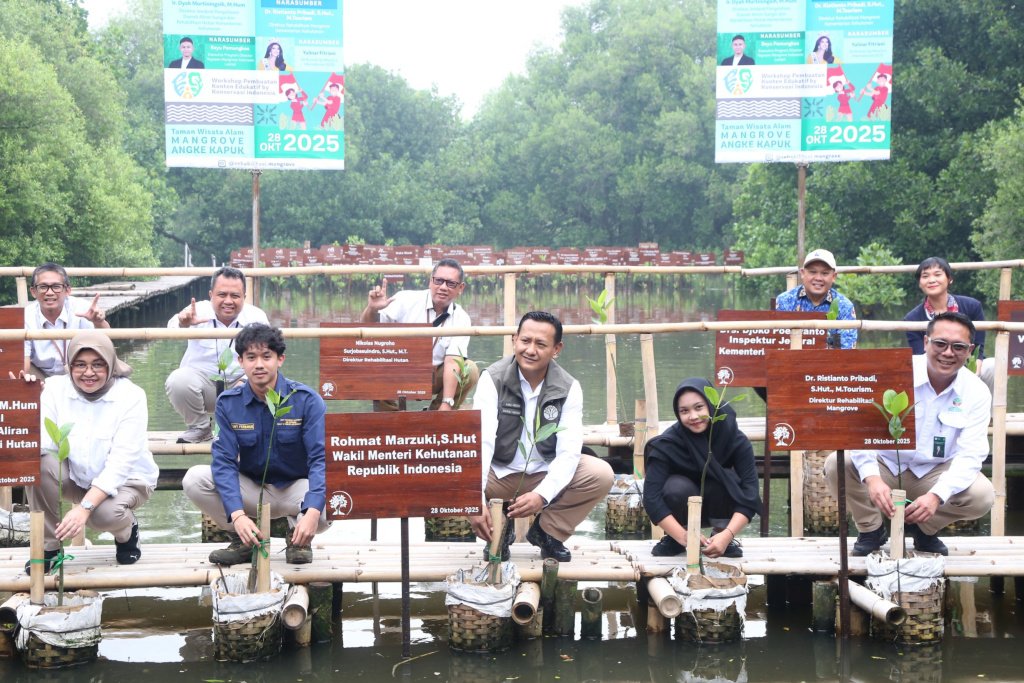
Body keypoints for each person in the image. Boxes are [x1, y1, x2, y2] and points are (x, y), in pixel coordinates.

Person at [824, 312, 995, 556]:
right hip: (887, 463)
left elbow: (972, 454)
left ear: (970, 351)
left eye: (958, 347)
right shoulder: (892, 371)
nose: (948, 353)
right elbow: (859, 433)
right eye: (940, 344)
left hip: (936, 470)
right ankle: (871, 530)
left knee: (982, 495)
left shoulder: (976, 391)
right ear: (926, 343)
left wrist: (936, 496)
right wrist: (872, 479)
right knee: (836, 465)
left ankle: (924, 530)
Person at [468, 312, 615, 562]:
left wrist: (543, 495)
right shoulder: (491, 380)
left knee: (601, 475)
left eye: (541, 344)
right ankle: (499, 528)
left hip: (542, 472)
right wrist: (471, 502)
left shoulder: (569, 387)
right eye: (525, 341)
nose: (530, 350)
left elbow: (569, 451)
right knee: (458, 476)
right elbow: (481, 443)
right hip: (498, 474)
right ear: (515, 340)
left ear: (556, 349)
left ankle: (547, 531)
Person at [183, 324, 330, 565]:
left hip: (296, 489)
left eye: (266, 356)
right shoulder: (228, 403)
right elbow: (224, 461)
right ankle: (242, 538)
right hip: (254, 489)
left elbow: (320, 459)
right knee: (195, 479)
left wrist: (312, 511)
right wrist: (238, 515)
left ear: (280, 359)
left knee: (328, 501)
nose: (259, 364)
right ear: (240, 361)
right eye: (251, 357)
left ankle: (298, 537)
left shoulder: (306, 400)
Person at [19, 330, 159, 573]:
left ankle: (128, 532)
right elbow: (45, 446)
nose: (88, 373)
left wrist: (84, 508)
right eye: (80, 365)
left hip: (127, 480)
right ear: (70, 365)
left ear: (111, 365)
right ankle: (49, 548)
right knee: (38, 464)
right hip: (77, 476)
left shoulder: (132, 396)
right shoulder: (54, 388)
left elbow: (121, 462)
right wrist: (27, 401)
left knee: (101, 516)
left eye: (98, 364)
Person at [643, 378, 763, 558]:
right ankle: (675, 539)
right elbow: (651, 498)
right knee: (676, 486)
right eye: (684, 411)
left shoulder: (736, 441)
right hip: (680, 512)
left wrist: (727, 534)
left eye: (699, 407)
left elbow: (751, 494)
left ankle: (719, 536)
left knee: (727, 479)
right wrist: (682, 535)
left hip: (720, 510)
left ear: (711, 406)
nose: (693, 416)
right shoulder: (668, 444)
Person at [165, 267, 268, 443]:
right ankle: (200, 428)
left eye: (235, 296)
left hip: (241, 386)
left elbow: (269, 356)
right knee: (177, 380)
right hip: (204, 388)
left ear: (244, 297)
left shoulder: (256, 317)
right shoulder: (197, 310)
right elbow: (171, 329)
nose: (228, 301)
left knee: (266, 377)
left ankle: (242, 428)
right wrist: (184, 323)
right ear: (211, 294)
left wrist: (246, 381)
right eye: (222, 294)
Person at [360, 258, 479, 411]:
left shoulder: (461, 317)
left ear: (460, 288)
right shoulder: (405, 299)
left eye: (450, 283)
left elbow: (452, 362)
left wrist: (446, 403)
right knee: (377, 363)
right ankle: (392, 423)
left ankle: (434, 418)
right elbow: (368, 329)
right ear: (430, 281)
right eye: (438, 281)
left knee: (470, 370)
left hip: (434, 376)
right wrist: (372, 309)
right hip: (399, 371)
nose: (443, 287)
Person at [905, 257, 994, 395]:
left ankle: (990, 416)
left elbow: (978, 348)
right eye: (925, 276)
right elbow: (921, 357)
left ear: (949, 279)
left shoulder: (972, 306)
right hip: (936, 372)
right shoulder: (912, 319)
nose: (931, 280)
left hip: (970, 368)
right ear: (920, 283)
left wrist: (972, 376)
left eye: (937, 274)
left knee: (993, 366)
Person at [24, 262, 109, 378]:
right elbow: (24, 361)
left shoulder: (83, 309)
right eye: (43, 287)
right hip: (40, 374)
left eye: (56, 287)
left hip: (79, 373)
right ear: (33, 291)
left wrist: (98, 322)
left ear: (67, 290)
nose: (49, 292)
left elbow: (106, 343)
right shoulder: (25, 316)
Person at [776, 248, 858, 349]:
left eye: (825, 273)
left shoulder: (844, 306)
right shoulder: (785, 301)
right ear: (802, 273)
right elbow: (777, 343)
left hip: (830, 363)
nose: (818, 278)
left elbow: (847, 350)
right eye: (813, 272)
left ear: (834, 276)